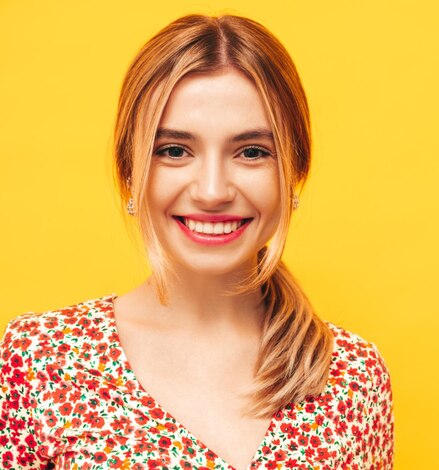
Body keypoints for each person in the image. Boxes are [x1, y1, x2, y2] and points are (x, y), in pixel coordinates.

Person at [0, 14, 394, 469]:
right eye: (174, 151)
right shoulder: (41, 359)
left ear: (294, 173)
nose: (212, 191)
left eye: (251, 152)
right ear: (130, 173)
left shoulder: (355, 378)